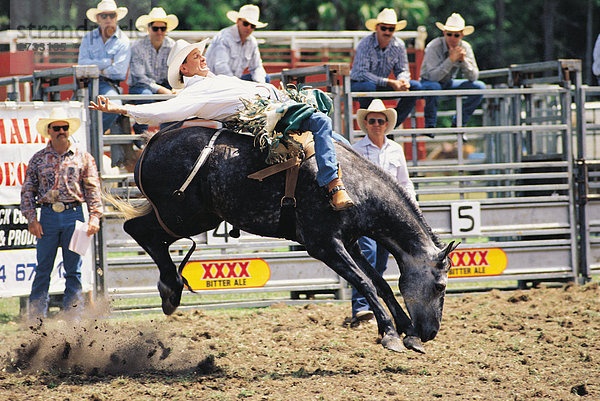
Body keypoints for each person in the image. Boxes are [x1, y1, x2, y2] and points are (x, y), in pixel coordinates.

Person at [90, 39, 354, 210]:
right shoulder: (195, 93)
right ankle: (333, 185)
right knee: (320, 121)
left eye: (201, 54)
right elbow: (162, 111)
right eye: (196, 56)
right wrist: (120, 108)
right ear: (185, 69)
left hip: (280, 105)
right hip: (269, 118)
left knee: (334, 137)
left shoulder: (215, 80)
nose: (203, 58)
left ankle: (352, 179)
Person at [20, 108, 103, 320]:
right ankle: (35, 321)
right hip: (47, 215)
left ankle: (73, 320)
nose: (61, 132)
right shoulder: (38, 159)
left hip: (74, 215)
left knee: (73, 270)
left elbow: (92, 188)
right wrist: (32, 219)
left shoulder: (83, 157)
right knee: (43, 269)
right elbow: (28, 190)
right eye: (56, 128)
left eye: (64, 128)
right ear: (49, 131)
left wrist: (94, 216)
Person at [350, 99, 416, 325]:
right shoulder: (356, 150)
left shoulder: (396, 150)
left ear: (386, 124)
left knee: (379, 262)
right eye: (372, 121)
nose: (376, 124)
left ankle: (370, 306)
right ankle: (361, 308)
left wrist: (412, 207)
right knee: (366, 256)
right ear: (366, 124)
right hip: (364, 216)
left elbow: (405, 183)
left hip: (389, 218)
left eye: (380, 121)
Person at [78, 0, 131, 167]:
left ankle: (89, 140)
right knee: (75, 110)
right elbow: (82, 64)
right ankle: (86, 141)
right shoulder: (88, 37)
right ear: (98, 18)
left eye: (111, 15)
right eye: (104, 15)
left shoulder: (124, 41)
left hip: (108, 85)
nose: (108, 18)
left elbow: (120, 72)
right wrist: (108, 62)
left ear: (116, 18)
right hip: (85, 85)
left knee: (114, 103)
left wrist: (96, 67)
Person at [350, 8, 422, 128]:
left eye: (391, 29)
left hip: (382, 85)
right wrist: (390, 82)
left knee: (416, 87)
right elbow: (361, 74)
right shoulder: (365, 44)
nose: (387, 32)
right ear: (377, 28)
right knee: (368, 86)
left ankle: (389, 126)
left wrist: (402, 81)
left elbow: (403, 70)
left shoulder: (399, 45)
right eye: (384, 28)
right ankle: (370, 126)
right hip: (359, 85)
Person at [419, 13, 486, 129]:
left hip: (449, 83)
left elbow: (474, 77)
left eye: (456, 35)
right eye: (449, 34)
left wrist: (463, 61)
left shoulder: (465, 47)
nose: (452, 38)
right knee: (434, 87)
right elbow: (433, 77)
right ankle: (430, 125)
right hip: (428, 82)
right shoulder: (433, 46)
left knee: (479, 87)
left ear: (462, 35)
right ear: (444, 33)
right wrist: (451, 60)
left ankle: (459, 122)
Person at [128, 7, 179, 135]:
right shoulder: (137, 46)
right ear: (148, 29)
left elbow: (175, 71)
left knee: (177, 100)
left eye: (163, 28)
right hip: (140, 86)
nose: (160, 32)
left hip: (165, 84)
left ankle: (166, 135)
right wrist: (162, 90)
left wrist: (174, 88)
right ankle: (142, 135)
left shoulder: (173, 46)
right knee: (145, 96)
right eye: (156, 28)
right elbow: (140, 77)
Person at [204, 4, 270, 83]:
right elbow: (221, 67)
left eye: (252, 26)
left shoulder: (252, 42)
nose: (249, 28)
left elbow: (257, 67)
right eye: (246, 23)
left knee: (265, 78)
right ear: (238, 21)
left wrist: (261, 83)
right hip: (214, 81)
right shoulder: (224, 37)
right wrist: (237, 85)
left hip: (234, 80)